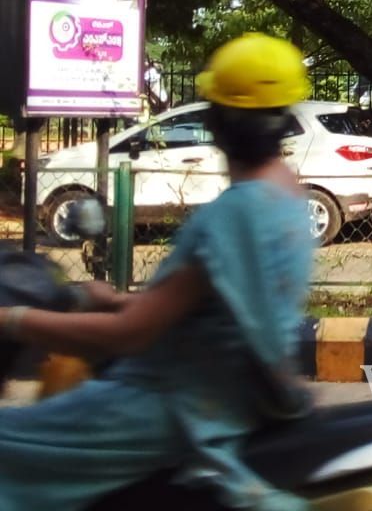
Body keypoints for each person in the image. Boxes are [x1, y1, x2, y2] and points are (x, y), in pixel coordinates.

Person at [0, 32, 315, 509]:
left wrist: (12, 320)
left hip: (168, 408)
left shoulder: (234, 213)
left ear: (216, 122)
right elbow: (213, 309)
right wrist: (115, 299)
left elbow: (129, 336)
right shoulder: (288, 197)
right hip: (230, 404)